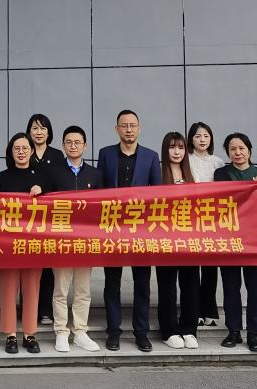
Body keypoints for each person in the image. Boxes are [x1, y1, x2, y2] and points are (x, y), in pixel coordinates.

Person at [96, 109, 161, 352]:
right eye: (124, 125)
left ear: (139, 128)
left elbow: (158, 195)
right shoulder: (105, 154)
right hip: (112, 229)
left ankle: (141, 333)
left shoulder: (151, 157)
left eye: (133, 125)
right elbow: (99, 191)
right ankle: (113, 332)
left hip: (141, 231)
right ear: (117, 129)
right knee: (111, 283)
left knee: (142, 284)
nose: (129, 129)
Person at [214, 132, 257, 353]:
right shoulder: (221, 174)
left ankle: (253, 334)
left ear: (249, 150)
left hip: (256, 241)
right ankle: (233, 331)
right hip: (230, 240)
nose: (238, 153)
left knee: (256, 289)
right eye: (233, 149)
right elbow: (220, 202)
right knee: (231, 287)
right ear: (228, 153)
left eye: (241, 148)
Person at [46, 125, 102, 353]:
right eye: (69, 142)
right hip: (61, 239)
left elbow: (103, 207)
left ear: (85, 146)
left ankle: (80, 332)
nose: (73, 146)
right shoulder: (53, 172)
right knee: (60, 290)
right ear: (63, 145)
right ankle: (61, 331)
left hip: (85, 241)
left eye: (77, 142)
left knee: (82, 290)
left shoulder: (95, 174)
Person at [0, 132, 47, 354]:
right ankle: (10, 335)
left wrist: (42, 192)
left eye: (25, 148)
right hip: (8, 242)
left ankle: (29, 334)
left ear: (32, 151)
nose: (21, 152)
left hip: (34, 243)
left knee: (32, 289)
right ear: (11, 152)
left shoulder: (42, 177)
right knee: (8, 288)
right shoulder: (2, 177)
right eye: (17, 148)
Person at [155, 131, 201, 350]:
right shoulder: (157, 174)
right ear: (166, 150)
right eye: (172, 147)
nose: (177, 152)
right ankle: (169, 330)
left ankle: (189, 329)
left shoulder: (192, 175)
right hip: (164, 238)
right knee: (167, 286)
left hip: (189, 239)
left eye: (181, 147)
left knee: (191, 284)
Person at [25, 113, 64, 326]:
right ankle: (27, 308)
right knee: (27, 265)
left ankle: (46, 310)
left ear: (49, 132)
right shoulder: (24, 150)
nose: (38, 132)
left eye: (43, 128)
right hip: (27, 218)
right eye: (35, 128)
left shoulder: (57, 155)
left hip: (49, 218)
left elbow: (59, 184)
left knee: (48, 266)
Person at [186, 121, 224, 328]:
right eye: (198, 136)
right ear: (191, 139)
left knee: (210, 268)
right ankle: (194, 311)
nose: (202, 140)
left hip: (211, 219)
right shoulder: (186, 159)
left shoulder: (218, 162)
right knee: (192, 267)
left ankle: (209, 310)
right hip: (190, 219)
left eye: (206, 136)